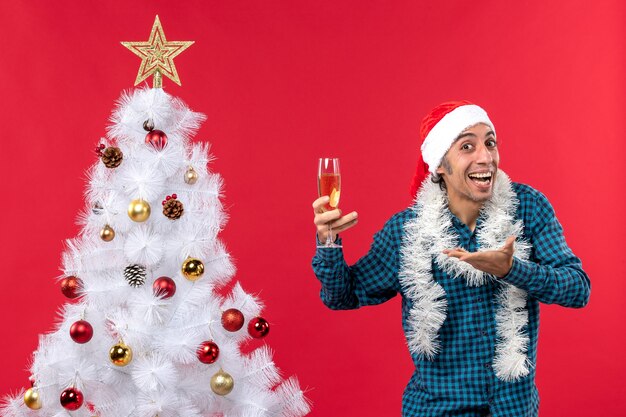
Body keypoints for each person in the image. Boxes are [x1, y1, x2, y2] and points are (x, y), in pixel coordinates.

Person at [311, 101, 590, 417]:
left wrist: (513, 269)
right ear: (440, 165)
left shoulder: (528, 208)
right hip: (437, 409)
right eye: (467, 146)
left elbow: (578, 289)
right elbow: (341, 296)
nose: (485, 157)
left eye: (490, 142)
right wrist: (328, 241)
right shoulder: (407, 231)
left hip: (513, 409)